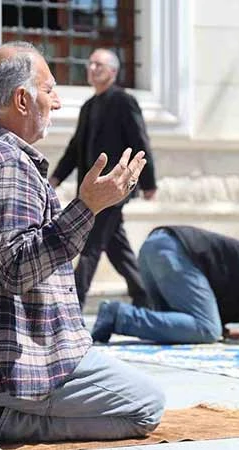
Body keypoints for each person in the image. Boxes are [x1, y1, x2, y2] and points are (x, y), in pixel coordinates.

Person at [0, 42, 164, 445]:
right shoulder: (7, 165)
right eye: (50, 89)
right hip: (8, 370)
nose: (57, 102)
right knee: (146, 405)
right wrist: (88, 206)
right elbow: (19, 268)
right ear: (23, 99)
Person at [49, 48, 157, 309]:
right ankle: (146, 298)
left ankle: (71, 307)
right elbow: (76, 148)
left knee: (90, 245)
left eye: (99, 64)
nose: (92, 68)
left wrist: (148, 182)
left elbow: (140, 140)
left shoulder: (124, 101)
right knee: (117, 249)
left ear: (113, 71)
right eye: (90, 64)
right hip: (91, 190)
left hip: (113, 187)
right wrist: (55, 178)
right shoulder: (88, 106)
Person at [89, 226, 239, 344]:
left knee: (172, 327)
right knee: (208, 330)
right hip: (174, 252)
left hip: (155, 248)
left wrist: (224, 330)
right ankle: (119, 316)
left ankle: (117, 317)